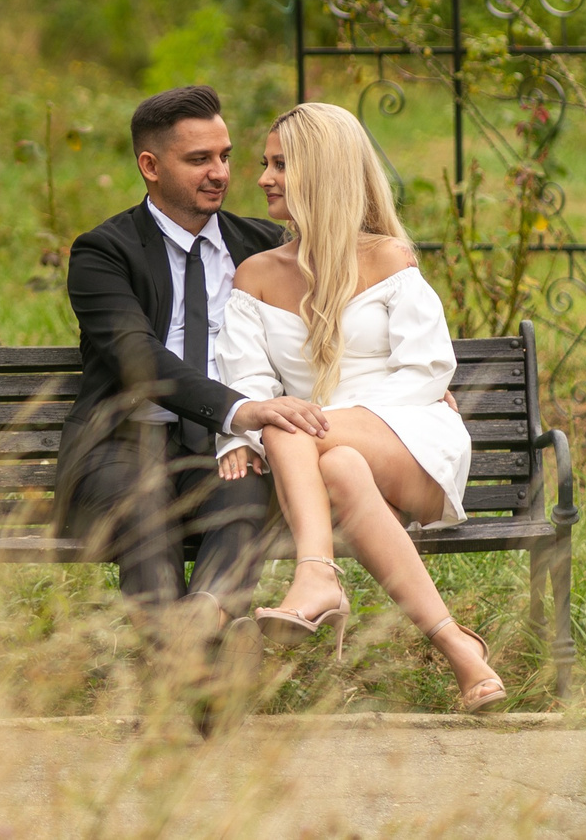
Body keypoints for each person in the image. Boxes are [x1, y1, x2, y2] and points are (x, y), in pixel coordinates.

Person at [215, 100, 508, 711]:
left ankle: (317, 575)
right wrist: (241, 440)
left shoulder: (389, 259)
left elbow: (428, 368)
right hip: (324, 459)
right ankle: (460, 649)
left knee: (293, 422)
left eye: (279, 165)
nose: (263, 178)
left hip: (413, 441)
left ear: (322, 172)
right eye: (265, 164)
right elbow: (244, 383)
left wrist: (336, 420)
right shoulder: (256, 276)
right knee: (332, 459)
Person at [56, 84, 332, 637]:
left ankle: (195, 634)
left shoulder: (263, 249)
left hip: (222, 448)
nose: (221, 173)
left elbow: (350, 310)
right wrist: (242, 410)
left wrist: (415, 382)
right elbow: (138, 357)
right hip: (121, 443)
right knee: (142, 506)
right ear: (151, 165)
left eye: (226, 156)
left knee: (246, 494)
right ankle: (202, 662)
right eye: (199, 159)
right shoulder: (104, 253)